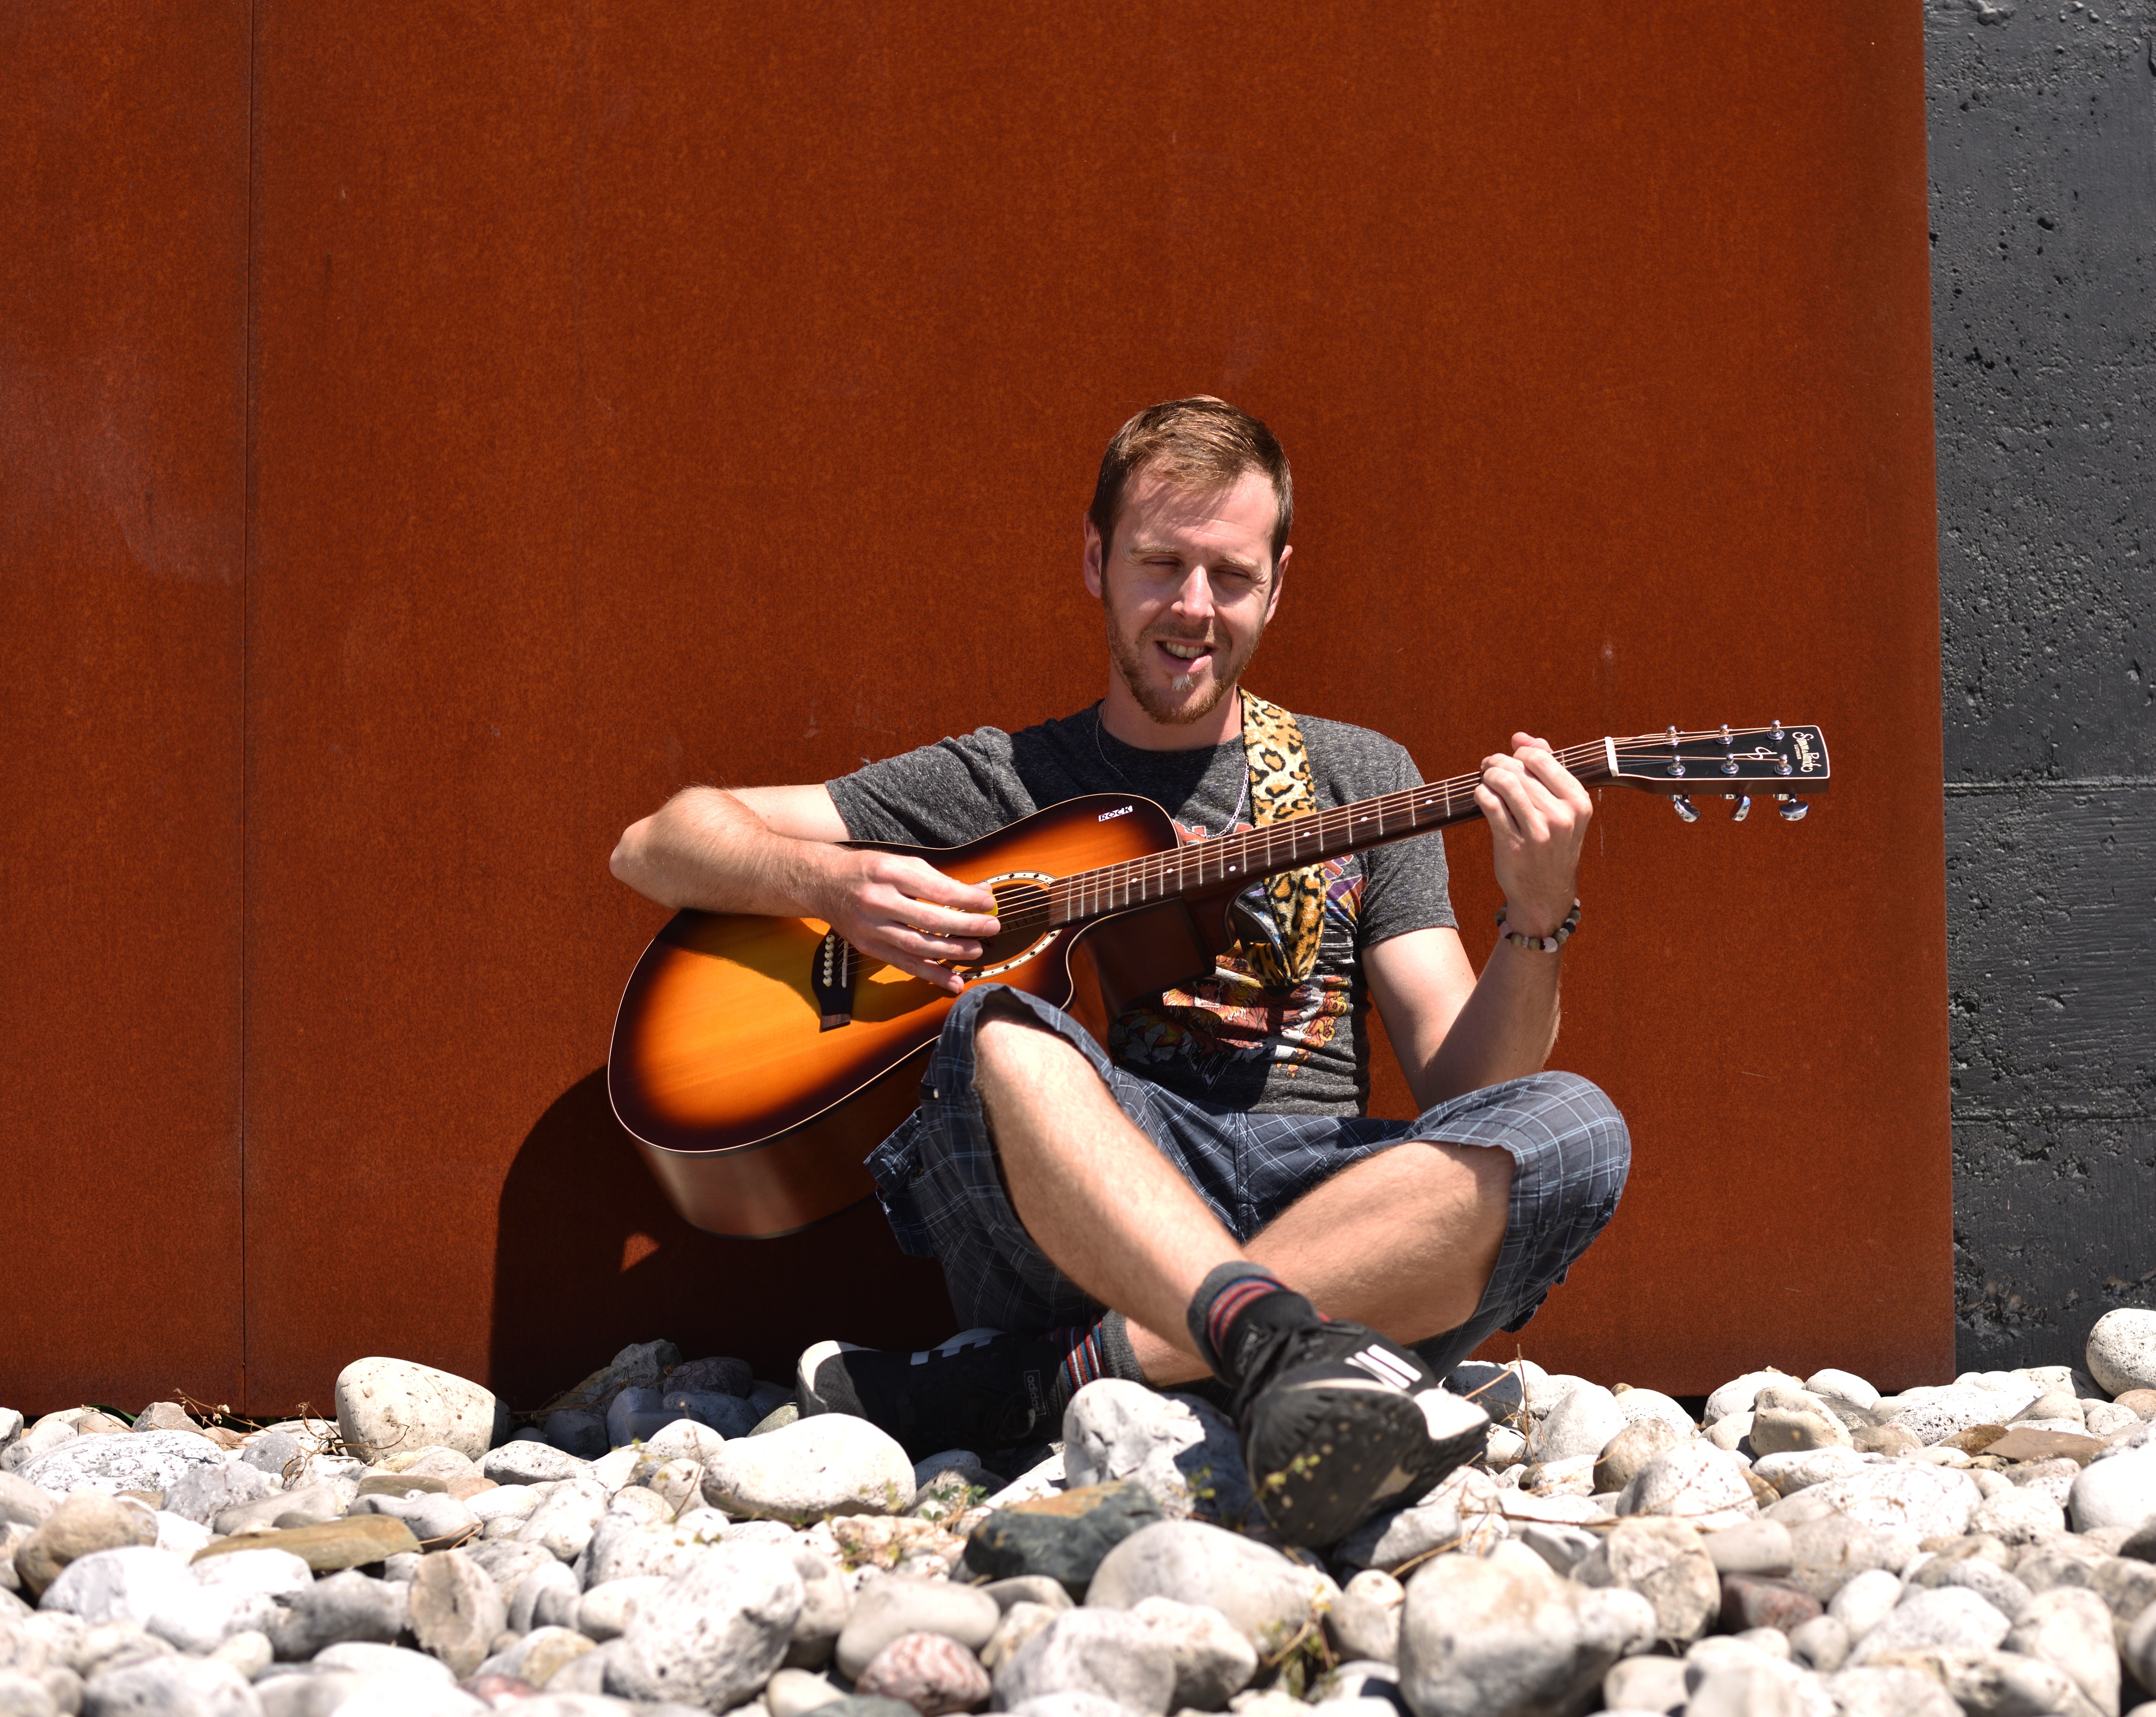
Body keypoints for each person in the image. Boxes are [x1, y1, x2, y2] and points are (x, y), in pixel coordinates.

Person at [608, 397, 1628, 1545]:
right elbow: (656, 842)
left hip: (1322, 1195)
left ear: (1279, 585)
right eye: (1160, 564)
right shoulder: (1007, 780)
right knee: (995, 1026)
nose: (1194, 607)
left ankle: (1057, 1378)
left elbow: (1466, 1088)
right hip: (1082, 1214)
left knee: (1578, 1126)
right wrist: (832, 886)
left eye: (1231, 576)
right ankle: (1280, 1346)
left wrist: (1536, 916)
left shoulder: (1361, 776)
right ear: (1097, 561)